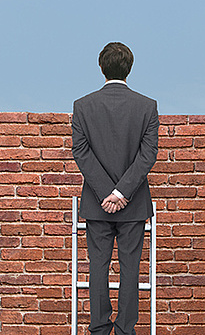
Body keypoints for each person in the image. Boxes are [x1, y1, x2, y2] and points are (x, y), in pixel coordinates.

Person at [71, 42, 159, 335]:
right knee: (130, 270)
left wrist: (106, 192)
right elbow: (148, 155)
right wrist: (121, 193)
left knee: (98, 267)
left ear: (101, 68)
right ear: (130, 68)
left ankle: (98, 329)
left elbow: (81, 153)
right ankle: (125, 331)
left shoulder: (82, 106)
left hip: (97, 203)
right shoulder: (147, 107)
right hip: (133, 204)